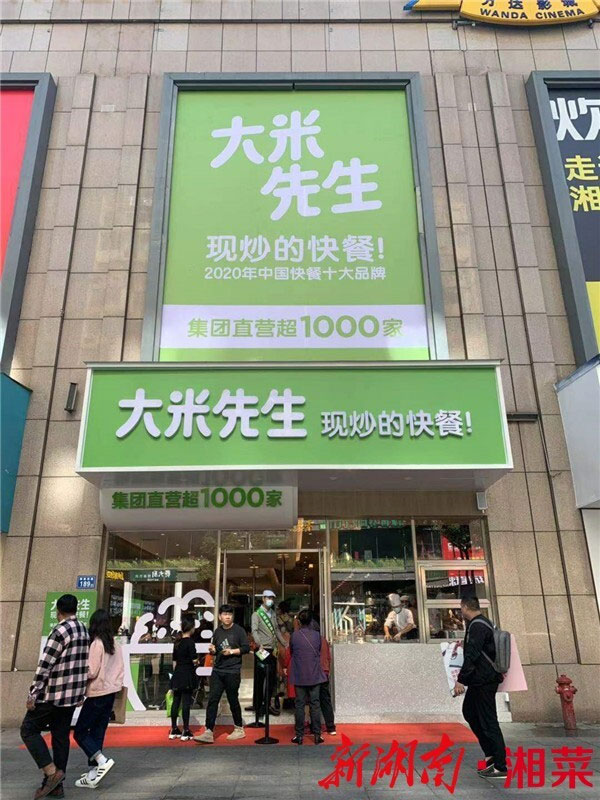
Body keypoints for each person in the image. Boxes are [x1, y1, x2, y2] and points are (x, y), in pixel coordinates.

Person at [20, 594, 89, 799]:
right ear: (76, 609)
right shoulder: (84, 630)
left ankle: (51, 773)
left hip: (53, 693)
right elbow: (83, 664)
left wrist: (33, 693)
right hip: (71, 695)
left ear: (58, 611)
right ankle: (57, 786)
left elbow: (45, 664)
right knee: (60, 737)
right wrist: (81, 692)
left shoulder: (60, 631)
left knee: (28, 730)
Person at [453, 597, 507, 779]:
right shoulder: (483, 623)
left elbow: (472, 655)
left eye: (461, 607)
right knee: (469, 712)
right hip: (480, 679)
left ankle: (500, 765)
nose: (461, 611)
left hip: (484, 680)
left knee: (489, 720)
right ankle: (491, 755)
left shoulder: (477, 626)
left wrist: (461, 680)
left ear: (465, 607)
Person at [74, 608, 124, 789]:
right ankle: (93, 773)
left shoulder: (97, 644)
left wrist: (78, 671)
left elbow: (92, 671)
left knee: (80, 731)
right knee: (97, 731)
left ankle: (102, 761)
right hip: (111, 693)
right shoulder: (115, 644)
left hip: (97, 692)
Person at [194, 604, 250, 743]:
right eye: (225, 614)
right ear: (219, 617)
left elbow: (246, 648)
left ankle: (239, 728)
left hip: (233, 670)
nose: (227, 617)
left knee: (233, 699)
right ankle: (208, 731)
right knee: (213, 700)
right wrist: (213, 650)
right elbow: (215, 649)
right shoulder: (217, 631)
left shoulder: (239, 631)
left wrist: (231, 651)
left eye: (230, 614)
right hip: (218, 670)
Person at [289, 609, 327, 745]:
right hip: (314, 674)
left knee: (299, 705)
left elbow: (292, 652)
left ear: (299, 621)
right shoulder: (317, 636)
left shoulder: (294, 636)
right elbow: (318, 651)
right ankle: (317, 735)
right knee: (315, 704)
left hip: (299, 674)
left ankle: (299, 735)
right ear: (311, 621)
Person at [249, 589, 287, 718]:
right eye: (268, 598)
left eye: (272, 598)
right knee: (260, 679)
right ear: (263, 598)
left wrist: (284, 643)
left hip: (272, 650)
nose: (270, 600)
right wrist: (259, 643)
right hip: (262, 649)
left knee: (271, 679)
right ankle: (258, 707)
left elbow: (276, 630)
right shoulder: (256, 614)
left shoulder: (273, 614)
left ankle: (267, 705)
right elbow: (254, 631)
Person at [168, 615, 197, 741]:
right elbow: (194, 660)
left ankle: (174, 728)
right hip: (187, 674)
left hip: (177, 674)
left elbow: (174, 661)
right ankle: (186, 730)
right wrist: (197, 662)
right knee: (186, 703)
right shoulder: (190, 642)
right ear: (191, 628)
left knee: (176, 701)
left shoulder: (177, 642)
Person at [319, 634, 336, 735]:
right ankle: (331, 727)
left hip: (315, 673)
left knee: (314, 701)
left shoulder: (311, 640)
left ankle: (315, 727)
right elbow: (328, 657)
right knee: (326, 700)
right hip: (324, 672)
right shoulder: (324, 640)